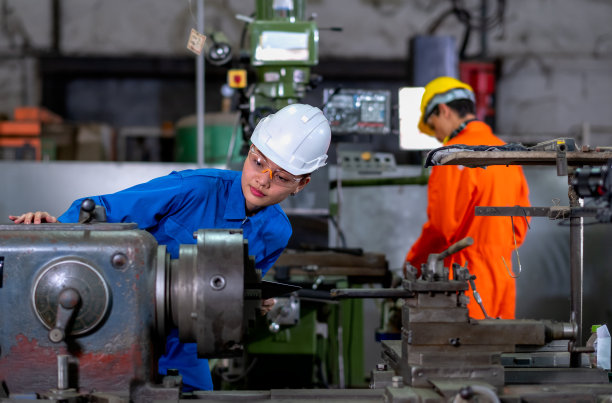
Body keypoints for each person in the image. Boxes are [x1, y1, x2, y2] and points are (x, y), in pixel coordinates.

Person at [9, 103, 332, 391]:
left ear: (301, 184)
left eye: (281, 177)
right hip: (116, 328)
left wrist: (248, 298)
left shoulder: (276, 232)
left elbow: (228, 292)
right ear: (248, 150)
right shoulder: (192, 189)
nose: (263, 179)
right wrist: (53, 232)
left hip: (184, 345)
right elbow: (98, 210)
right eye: (258, 162)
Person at [405, 76, 531, 320]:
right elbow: (520, 226)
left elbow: (441, 229)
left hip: (465, 282)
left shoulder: (451, 156)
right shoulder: (506, 153)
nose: (436, 136)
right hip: (504, 279)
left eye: (432, 126)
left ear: (443, 111)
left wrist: (413, 263)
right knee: (497, 352)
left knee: (462, 353)